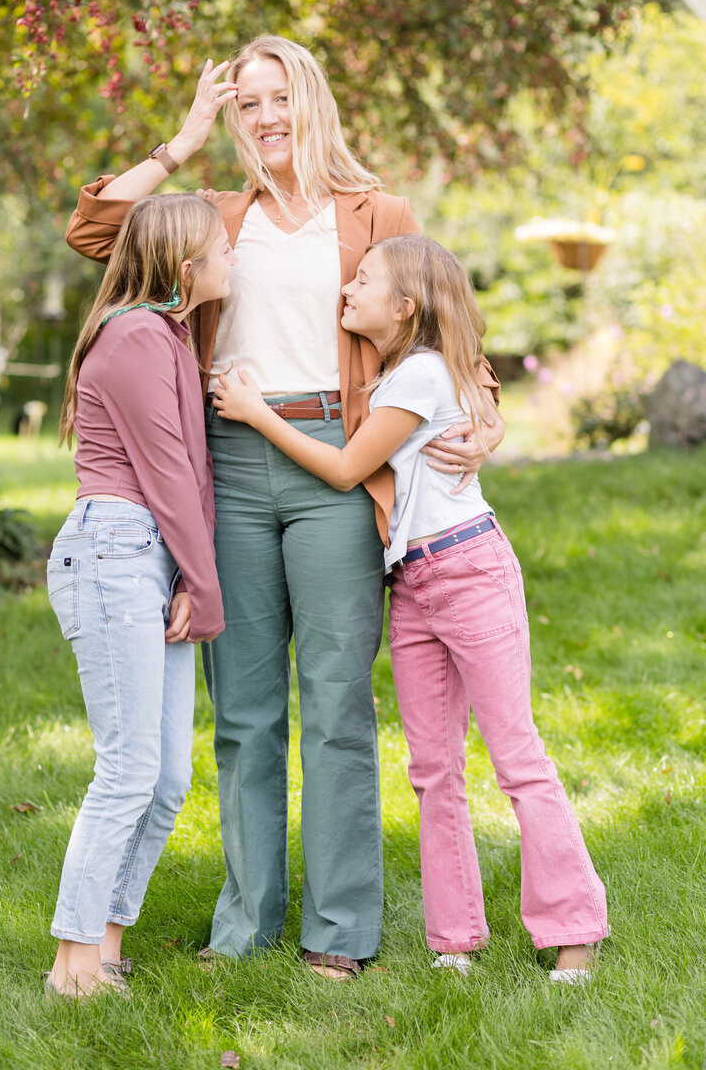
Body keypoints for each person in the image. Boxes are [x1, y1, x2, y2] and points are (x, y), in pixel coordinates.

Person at [64, 35, 505, 980]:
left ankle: (339, 932)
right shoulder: (218, 214)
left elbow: (445, 326)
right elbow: (97, 232)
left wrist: (489, 419)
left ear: (312, 102)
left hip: (338, 461)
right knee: (244, 710)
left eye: (279, 99)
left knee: (338, 700)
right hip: (227, 459)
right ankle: (247, 922)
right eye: (245, 105)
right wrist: (179, 142)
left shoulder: (376, 210)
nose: (264, 119)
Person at [212, 233, 609, 982]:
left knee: (515, 755)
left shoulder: (419, 375)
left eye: (362, 281)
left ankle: (574, 927)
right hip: (414, 584)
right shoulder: (408, 369)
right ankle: (454, 938)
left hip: (468, 569)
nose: (345, 291)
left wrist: (257, 413)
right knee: (433, 768)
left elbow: (344, 467)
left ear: (406, 306)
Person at [45, 193, 233, 999]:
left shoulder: (168, 335)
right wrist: (205, 583)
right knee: (126, 771)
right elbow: (164, 474)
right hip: (116, 551)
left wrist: (187, 570)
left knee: (164, 783)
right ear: (187, 269)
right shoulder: (135, 336)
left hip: (146, 556)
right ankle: (71, 966)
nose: (235, 260)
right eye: (223, 249)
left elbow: (188, 473)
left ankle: (109, 944)